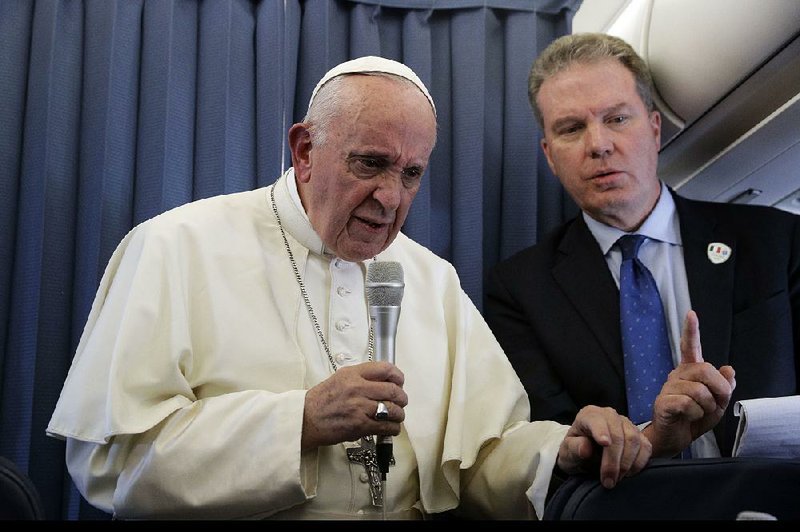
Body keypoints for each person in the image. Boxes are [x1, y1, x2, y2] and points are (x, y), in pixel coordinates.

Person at [46, 56, 653, 520]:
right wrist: (300, 420)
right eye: (370, 163)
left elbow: (481, 459)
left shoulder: (431, 280)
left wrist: (558, 453)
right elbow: (110, 460)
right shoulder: (176, 247)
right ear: (305, 150)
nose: (391, 197)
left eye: (411, 174)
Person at [484, 32, 797, 460]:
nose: (598, 145)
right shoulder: (520, 289)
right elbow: (548, 444)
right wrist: (649, 438)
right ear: (550, 156)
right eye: (572, 128)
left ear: (654, 130)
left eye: (617, 119)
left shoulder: (777, 241)